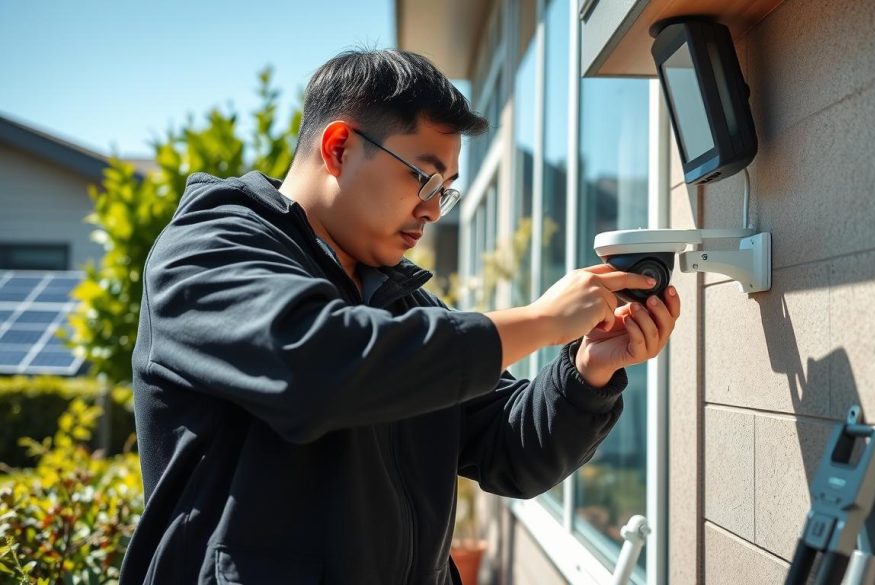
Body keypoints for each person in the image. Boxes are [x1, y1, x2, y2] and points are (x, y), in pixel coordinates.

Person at [119, 49, 680, 585]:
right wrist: (540, 321)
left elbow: (512, 451)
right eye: (425, 178)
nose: (434, 209)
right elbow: (318, 365)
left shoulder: (396, 299)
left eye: (448, 192)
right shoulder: (209, 249)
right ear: (339, 147)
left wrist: (587, 372)